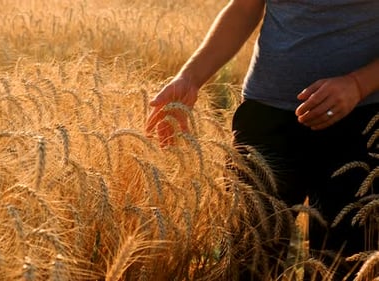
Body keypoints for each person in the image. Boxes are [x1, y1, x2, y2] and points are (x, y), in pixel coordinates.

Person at [145, 0, 379, 280]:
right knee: (247, 259)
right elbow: (244, 7)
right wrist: (189, 78)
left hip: (361, 122)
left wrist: (357, 84)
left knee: (342, 266)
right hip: (265, 119)